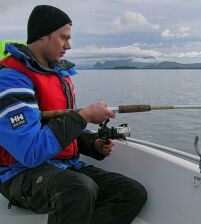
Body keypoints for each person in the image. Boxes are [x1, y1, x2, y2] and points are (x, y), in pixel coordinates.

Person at [0, 5, 147, 224]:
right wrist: (84, 116)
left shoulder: (58, 75)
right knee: (78, 188)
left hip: (63, 167)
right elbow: (29, 151)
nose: (68, 46)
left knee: (131, 192)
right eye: (63, 38)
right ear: (43, 35)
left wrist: (92, 145)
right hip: (19, 175)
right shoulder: (11, 79)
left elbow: (58, 129)